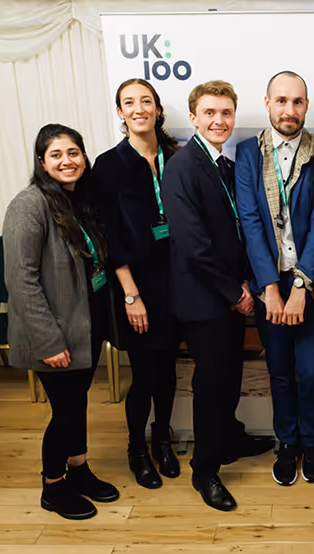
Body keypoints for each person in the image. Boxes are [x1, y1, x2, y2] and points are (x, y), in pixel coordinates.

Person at [160, 80, 273, 512]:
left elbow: (235, 233)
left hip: (229, 292)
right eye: (209, 113)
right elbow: (193, 245)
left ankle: (228, 439)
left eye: (226, 113)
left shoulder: (225, 164)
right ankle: (205, 471)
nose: (219, 120)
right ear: (193, 118)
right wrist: (233, 291)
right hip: (204, 298)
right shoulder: (182, 166)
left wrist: (243, 284)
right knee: (210, 384)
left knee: (229, 377)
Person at [3, 123, 119, 520]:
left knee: (77, 402)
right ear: (41, 162)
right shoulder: (29, 204)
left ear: (84, 157)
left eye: (73, 153)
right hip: (55, 332)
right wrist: (49, 341)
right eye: (56, 155)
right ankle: (53, 486)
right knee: (65, 411)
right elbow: (20, 281)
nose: (67, 161)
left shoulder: (78, 200)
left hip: (85, 325)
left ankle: (78, 469)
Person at [235, 71, 314, 486]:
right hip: (269, 283)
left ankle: (311, 443)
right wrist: (269, 288)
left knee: (311, 371)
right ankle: (287, 443)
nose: (289, 110)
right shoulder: (248, 152)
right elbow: (250, 222)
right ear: (267, 104)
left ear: (306, 106)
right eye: (281, 101)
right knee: (279, 370)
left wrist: (300, 285)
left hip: (311, 284)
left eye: (297, 102)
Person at [92, 78, 181, 490]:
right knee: (144, 375)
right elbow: (107, 233)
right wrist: (131, 294)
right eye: (130, 103)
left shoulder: (175, 157)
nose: (139, 108)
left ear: (157, 110)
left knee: (168, 372)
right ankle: (137, 449)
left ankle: (163, 440)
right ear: (120, 112)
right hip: (136, 286)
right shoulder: (109, 165)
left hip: (175, 282)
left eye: (146, 101)